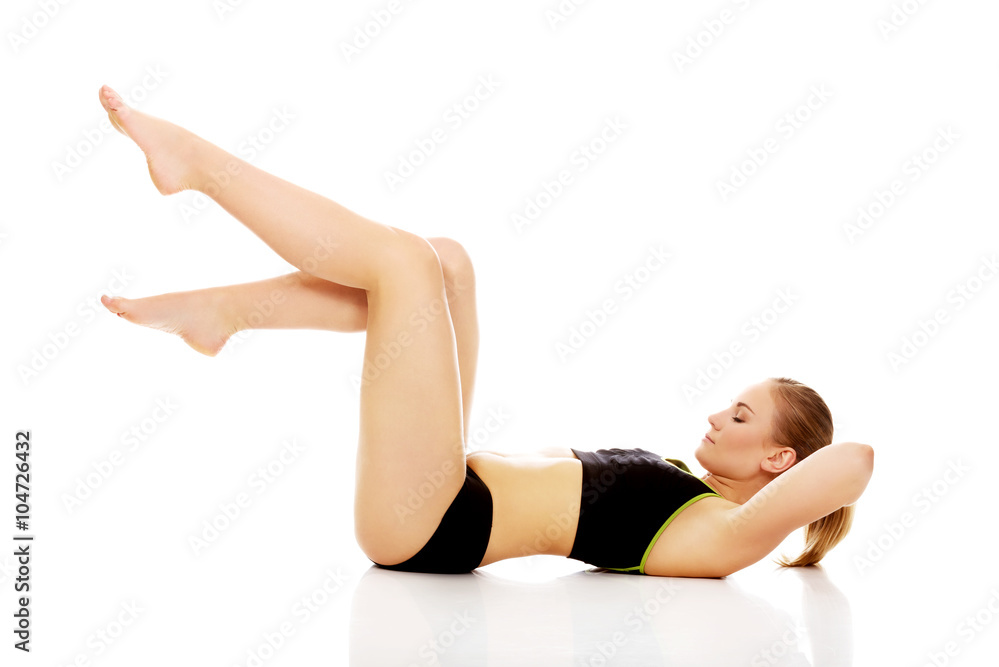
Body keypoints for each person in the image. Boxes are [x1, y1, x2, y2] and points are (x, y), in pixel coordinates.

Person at [97, 84, 874, 577]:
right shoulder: (699, 492)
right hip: (449, 481)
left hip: (432, 524)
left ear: (778, 456)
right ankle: (226, 313)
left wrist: (790, 513)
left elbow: (854, 459)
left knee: (399, 263)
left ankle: (199, 167)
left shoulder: (727, 534)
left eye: (741, 416)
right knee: (445, 265)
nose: (715, 414)